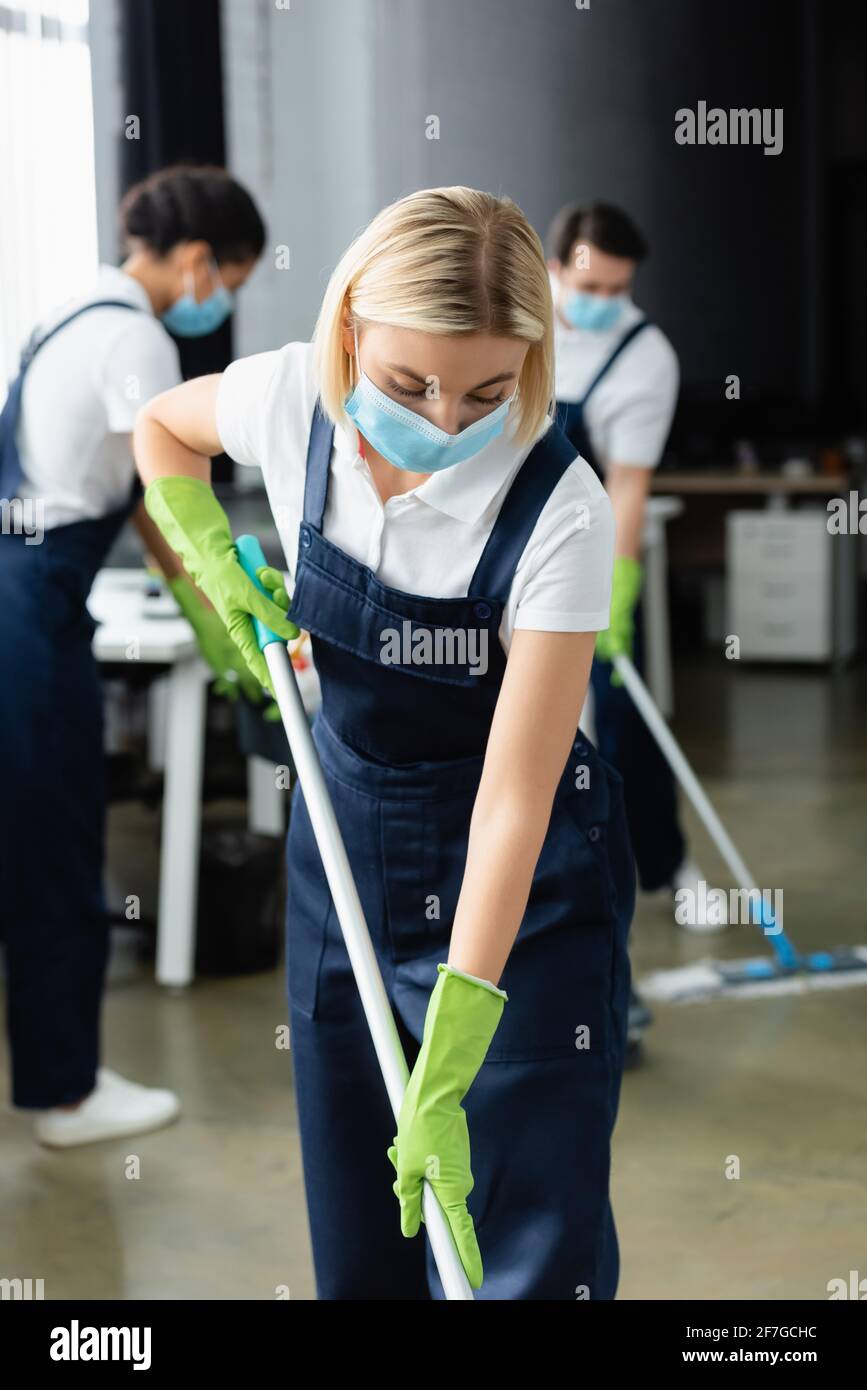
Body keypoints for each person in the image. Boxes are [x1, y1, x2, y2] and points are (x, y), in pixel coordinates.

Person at [135, 185, 636, 1302]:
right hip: (345, 844)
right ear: (351, 324)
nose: (448, 421)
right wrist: (212, 556)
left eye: (488, 391)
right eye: (410, 384)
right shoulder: (290, 402)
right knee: (360, 1220)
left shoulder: (559, 508)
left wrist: (461, 1032)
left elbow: (515, 797)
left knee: (519, 1236)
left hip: (524, 886)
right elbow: (162, 429)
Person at [0, 165, 268, 1147]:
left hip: (17, 578)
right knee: (57, 841)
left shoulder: (68, 306)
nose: (222, 297)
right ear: (201, 260)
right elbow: (172, 501)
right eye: (231, 275)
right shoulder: (139, 337)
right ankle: (67, 1093)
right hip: (28, 612)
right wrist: (221, 611)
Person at [547, 202, 717, 1057]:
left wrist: (614, 588)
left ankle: (665, 867)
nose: (602, 301)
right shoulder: (520, 315)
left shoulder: (642, 354)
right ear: (554, 270)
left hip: (594, 552)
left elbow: (628, 480)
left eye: (618, 288)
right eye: (587, 286)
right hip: (505, 567)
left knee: (615, 728)